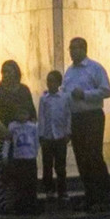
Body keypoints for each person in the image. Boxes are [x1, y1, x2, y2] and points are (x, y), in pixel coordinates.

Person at [63, 37, 110, 213]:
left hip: (92, 116)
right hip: (76, 118)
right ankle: (90, 196)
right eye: (70, 48)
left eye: (75, 48)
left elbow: (106, 91)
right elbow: (67, 97)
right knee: (81, 158)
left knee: (94, 156)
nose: (72, 51)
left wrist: (84, 94)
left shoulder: (95, 68)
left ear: (84, 49)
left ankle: (103, 198)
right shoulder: (68, 72)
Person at [0, 59, 36, 213]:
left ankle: (22, 202)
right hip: (2, 136)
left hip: (21, 137)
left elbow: (31, 112)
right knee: (1, 169)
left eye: (9, 71)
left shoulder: (24, 90)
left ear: (16, 72)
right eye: (4, 71)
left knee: (21, 170)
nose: (6, 74)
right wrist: (3, 130)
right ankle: (3, 203)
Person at [37, 69, 71, 202]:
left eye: (52, 81)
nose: (49, 83)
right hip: (47, 137)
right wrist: (41, 135)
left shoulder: (64, 98)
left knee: (61, 166)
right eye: (48, 81)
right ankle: (49, 189)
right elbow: (41, 117)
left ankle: (62, 190)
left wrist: (69, 132)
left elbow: (68, 115)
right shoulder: (43, 99)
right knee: (47, 165)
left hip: (61, 136)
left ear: (58, 83)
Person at [5, 104, 41, 214]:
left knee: (31, 182)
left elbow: (37, 140)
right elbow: (7, 141)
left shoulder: (33, 126)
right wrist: (5, 155)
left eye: (24, 113)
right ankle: (19, 205)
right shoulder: (12, 126)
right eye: (19, 113)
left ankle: (32, 205)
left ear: (28, 115)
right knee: (19, 182)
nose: (22, 116)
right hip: (18, 158)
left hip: (30, 158)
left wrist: (35, 152)